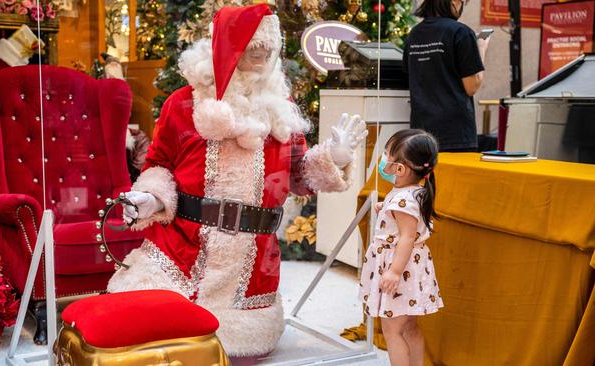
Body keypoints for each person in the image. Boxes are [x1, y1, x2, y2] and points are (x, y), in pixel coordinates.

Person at [106, 4, 368, 358]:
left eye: (268, 46)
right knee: (155, 335)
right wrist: (152, 198)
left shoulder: (280, 108)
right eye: (252, 44)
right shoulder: (183, 104)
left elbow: (298, 174)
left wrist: (333, 158)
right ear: (229, 45)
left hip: (253, 260)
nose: (262, 52)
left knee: (238, 350)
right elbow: (160, 163)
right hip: (183, 247)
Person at [359, 129, 443, 366]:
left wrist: (394, 271)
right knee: (409, 326)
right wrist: (386, 207)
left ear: (400, 169)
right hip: (413, 268)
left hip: (401, 269)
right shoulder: (415, 191)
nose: (384, 158)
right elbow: (407, 219)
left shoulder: (402, 201)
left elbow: (406, 237)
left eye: (387, 154)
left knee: (392, 329)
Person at [403, 0, 490, 152]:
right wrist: (481, 49)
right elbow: (472, 86)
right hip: (455, 134)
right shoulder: (461, 32)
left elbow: (410, 75)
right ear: (455, 2)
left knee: (427, 175)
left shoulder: (414, 34)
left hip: (420, 133)